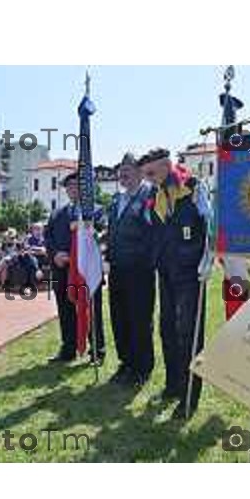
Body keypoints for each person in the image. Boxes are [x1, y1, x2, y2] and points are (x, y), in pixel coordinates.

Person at [137, 147, 211, 419]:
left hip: (191, 273)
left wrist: (206, 259)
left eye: (151, 172)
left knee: (189, 333)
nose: (148, 178)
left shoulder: (193, 188)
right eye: (145, 174)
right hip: (166, 271)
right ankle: (173, 385)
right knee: (167, 328)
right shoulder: (155, 196)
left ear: (166, 166)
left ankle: (190, 396)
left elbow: (210, 226)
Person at [45, 171, 105, 364]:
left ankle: (97, 349)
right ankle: (68, 348)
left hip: (87, 271)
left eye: (76, 186)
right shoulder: (57, 214)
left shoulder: (96, 212)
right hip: (63, 271)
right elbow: (49, 238)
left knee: (92, 310)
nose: (72, 190)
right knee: (65, 309)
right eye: (69, 187)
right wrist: (55, 254)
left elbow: (102, 237)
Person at [107, 153, 156, 388]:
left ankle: (142, 368)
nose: (122, 174)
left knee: (139, 319)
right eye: (120, 170)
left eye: (127, 169)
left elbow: (154, 233)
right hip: (117, 269)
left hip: (139, 271)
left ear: (139, 171)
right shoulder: (117, 200)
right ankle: (126, 363)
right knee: (119, 318)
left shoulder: (150, 195)